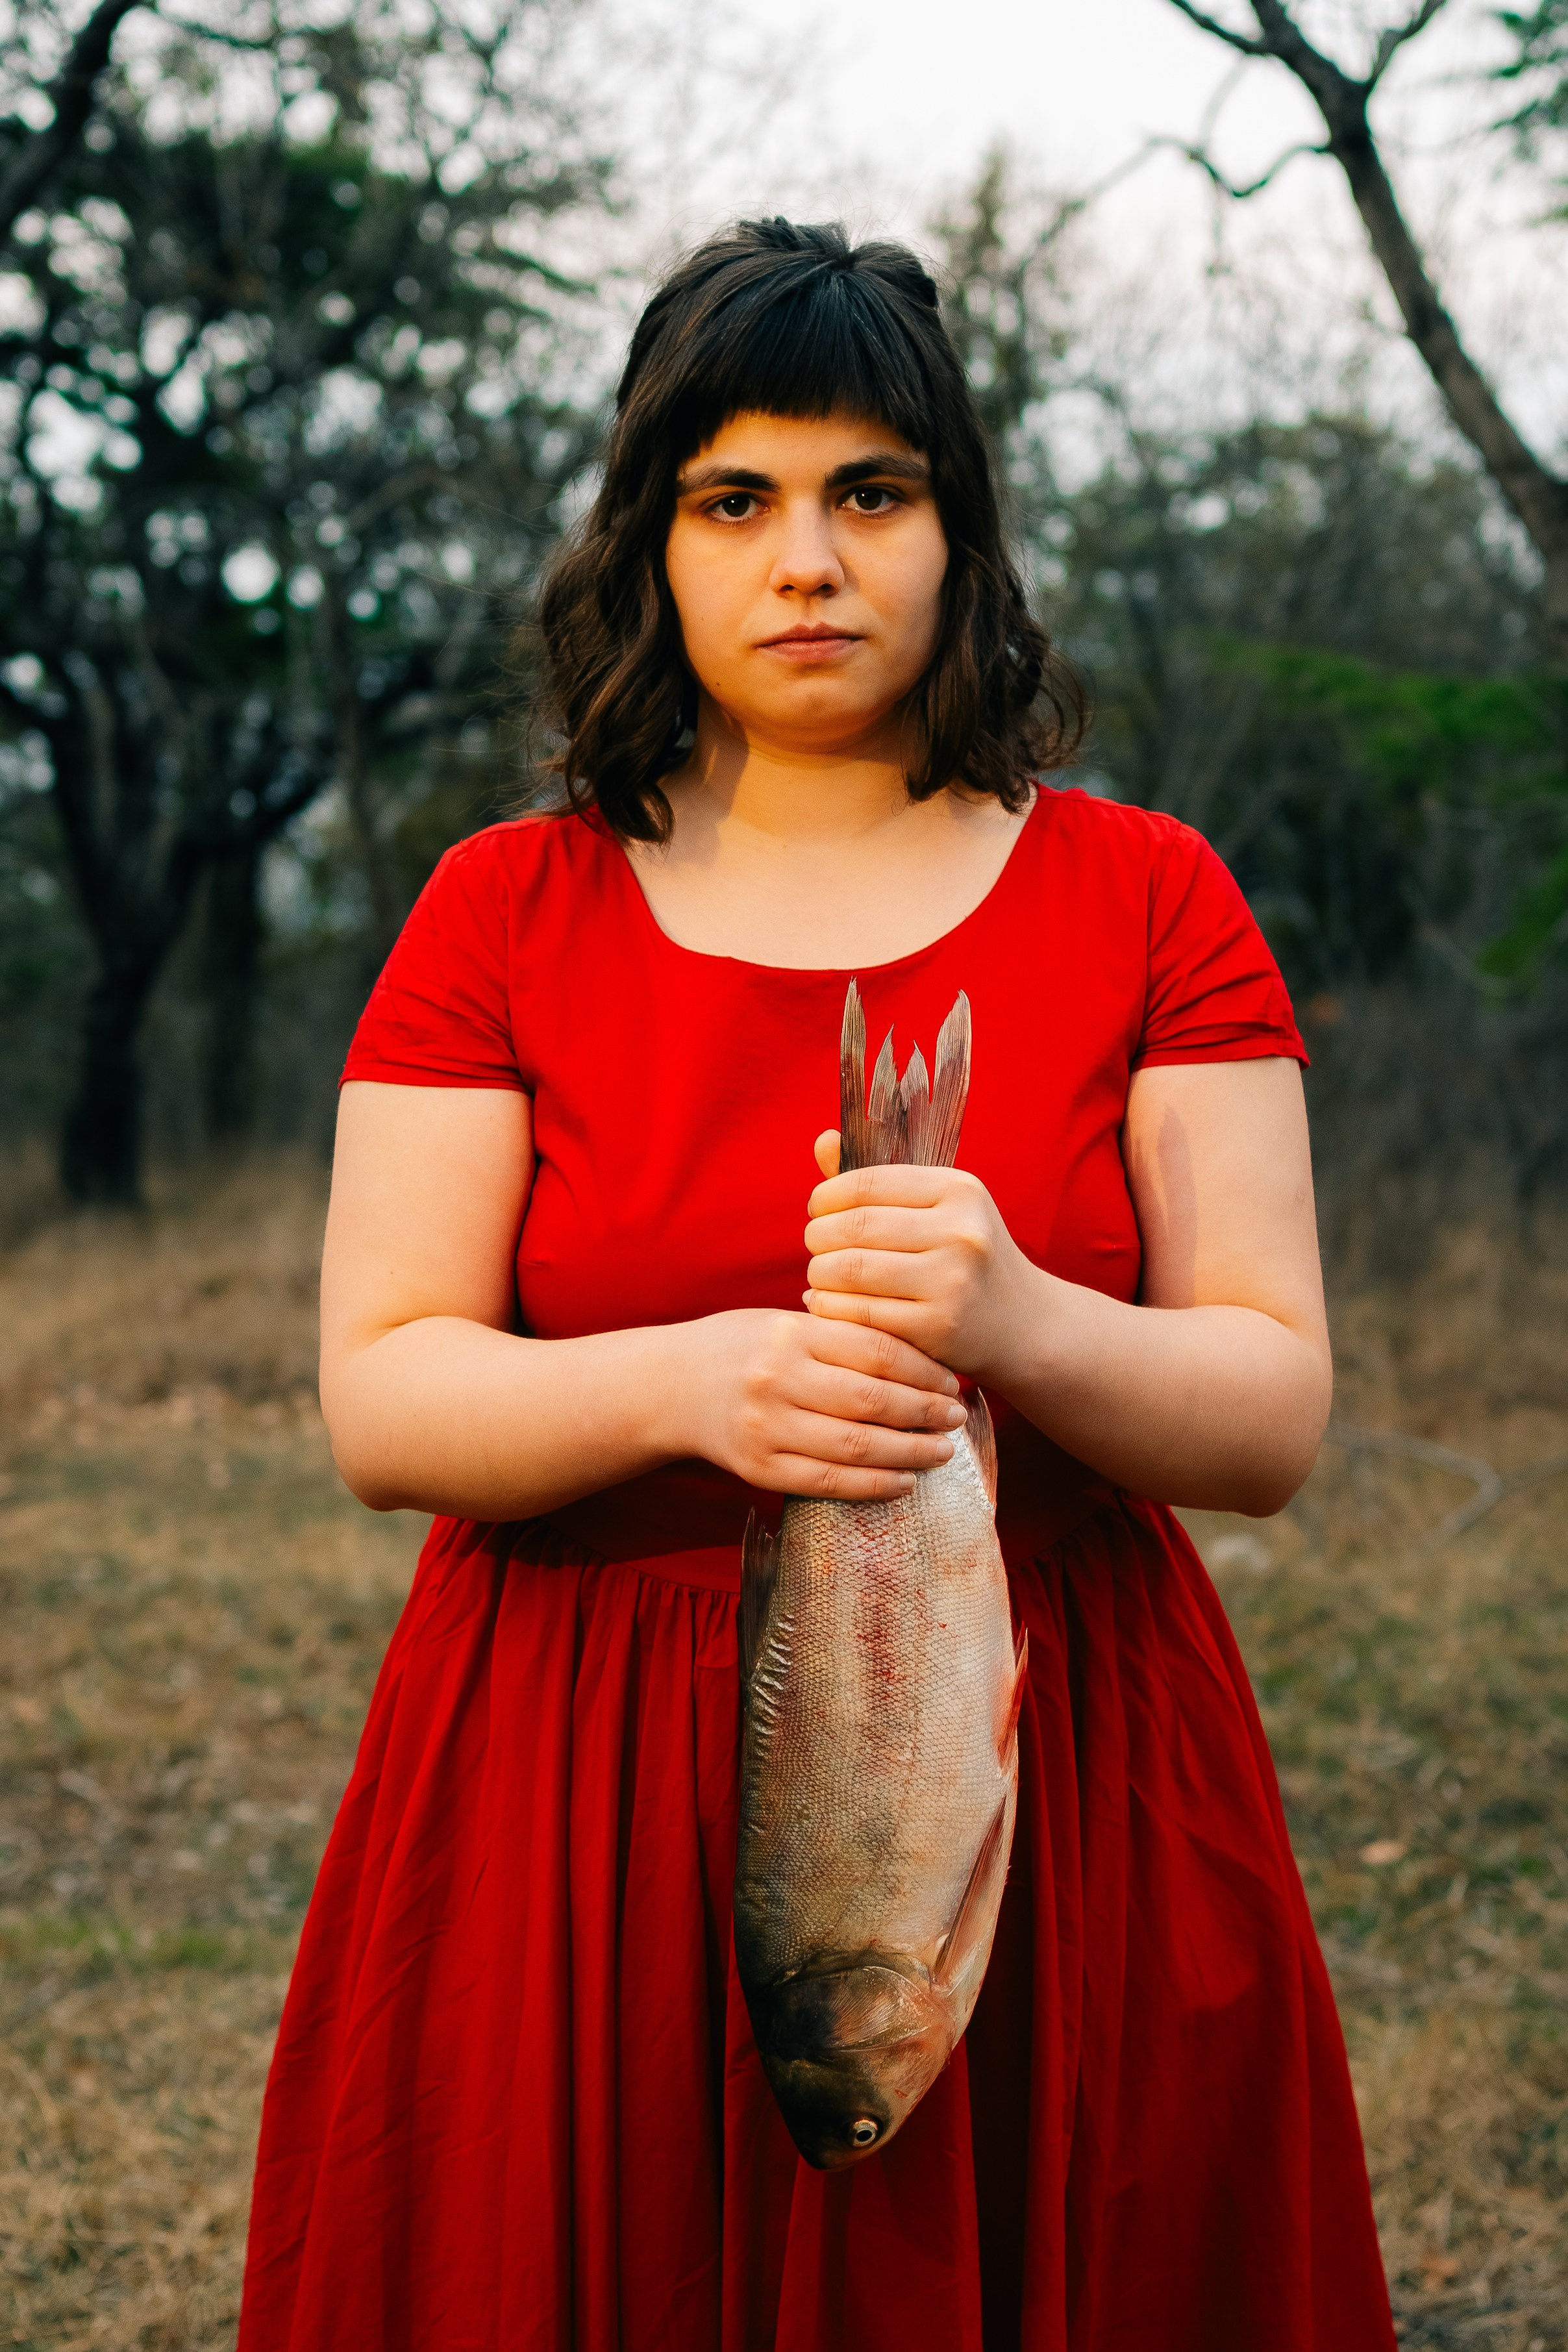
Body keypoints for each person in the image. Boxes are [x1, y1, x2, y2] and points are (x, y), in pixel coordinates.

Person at [238, 218, 1396, 2352]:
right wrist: (697, 1385)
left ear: (960, 532)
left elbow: (1271, 1417)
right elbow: (383, 1398)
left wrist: (1020, 1321)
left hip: (1051, 1767)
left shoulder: (1148, 896)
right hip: (571, 1771)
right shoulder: (507, 909)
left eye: (872, 493)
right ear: (649, 540)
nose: (807, 560)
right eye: (735, 500)